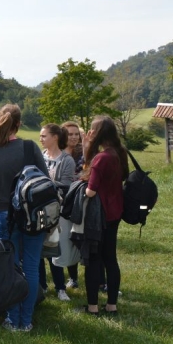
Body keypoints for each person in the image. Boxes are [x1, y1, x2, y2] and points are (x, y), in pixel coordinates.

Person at [0, 104, 48, 333]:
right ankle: (26, 321)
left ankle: (12, 318)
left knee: (10, 268)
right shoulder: (30, 147)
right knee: (31, 268)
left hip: (3, 215)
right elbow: (45, 182)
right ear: (19, 124)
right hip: (32, 216)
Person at [78, 115, 128, 316]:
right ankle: (111, 305)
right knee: (110, 259)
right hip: (115, 212)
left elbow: (91, 191)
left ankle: (92, 307)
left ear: (97, 133)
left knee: (93, 260)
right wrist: (87, 148)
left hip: (99, 216)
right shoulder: (119, 153)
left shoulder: (101, 158)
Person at [38, 124, 75, 302]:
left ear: (55, 137)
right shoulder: (40, 156)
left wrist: (44, 184)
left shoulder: (67, 160)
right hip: (39, 210)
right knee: (38, 249)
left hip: (56, 211)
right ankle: (42, 286)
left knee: (54, 248)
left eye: (44, 136)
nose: (41, 139)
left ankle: (60, 288)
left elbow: (66, 185)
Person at [60, 120, 83, 289]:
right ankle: (72, 277)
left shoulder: (84, 153)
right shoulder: (58, 154)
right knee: (68, 239)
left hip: (82, 200)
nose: (74, 137)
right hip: (64, 203)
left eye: (76, 134)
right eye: (70, 134)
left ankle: (99, 279)